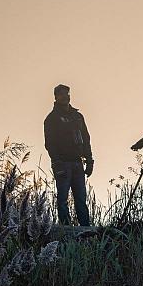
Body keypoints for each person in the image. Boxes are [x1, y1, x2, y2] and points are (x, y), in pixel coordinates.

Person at [44, 84, 94, 227]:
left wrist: (89, 160)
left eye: (67, 93)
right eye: (61, 94)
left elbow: (86, 139)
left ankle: (85, 230)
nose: (65, 96)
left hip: (78, 163)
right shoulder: (51, 118)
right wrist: (57, 161)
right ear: (56, 97)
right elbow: (49, 143)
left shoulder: (78, 116)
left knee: (81, 199)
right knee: (62, 200)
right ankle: (66, 229)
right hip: (62, 164)